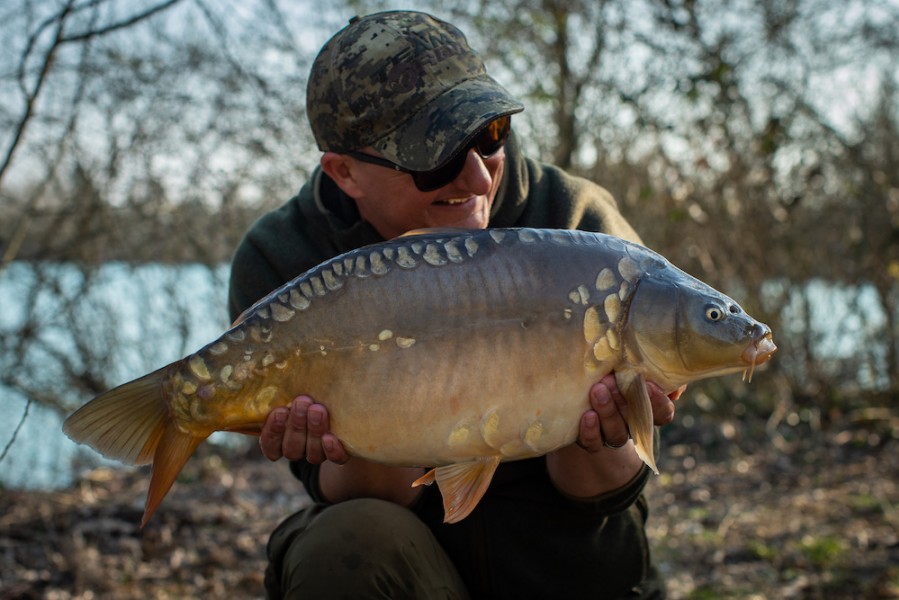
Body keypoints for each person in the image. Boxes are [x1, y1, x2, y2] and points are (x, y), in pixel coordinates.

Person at [228, 10, 680, 600]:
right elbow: (366, 494)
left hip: (575, 572)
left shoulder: (582, 229)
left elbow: (607, 492)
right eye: (434, 156)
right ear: (345, 173)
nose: (476, 178)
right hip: (413, 572)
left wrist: (601, 423)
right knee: (344, 542)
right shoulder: (282, 258)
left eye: (488, 135)